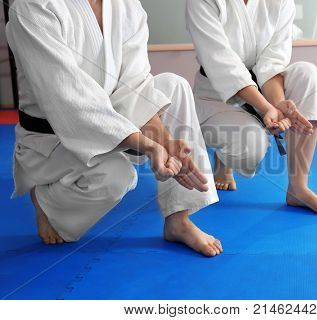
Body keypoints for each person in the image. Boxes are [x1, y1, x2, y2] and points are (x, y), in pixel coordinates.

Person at [6, 0, 223, 256]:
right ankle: (48, 204)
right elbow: (69, 97)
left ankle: (179, 218)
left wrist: (166, 142)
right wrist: (149, 145)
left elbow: (134, 85)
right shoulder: (33, 6)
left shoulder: (126, 5)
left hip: (112, 118)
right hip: (52, 136)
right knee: (116, 177)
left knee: (174, 86)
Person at [186, 0, 317, 216]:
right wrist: (265, 106)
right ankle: (224, 157)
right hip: (217, 93)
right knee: (250, 149)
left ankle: (298, 187)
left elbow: (272, 63)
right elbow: (221, 62)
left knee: (308, 74)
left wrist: (278, 104)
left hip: (267, 86)